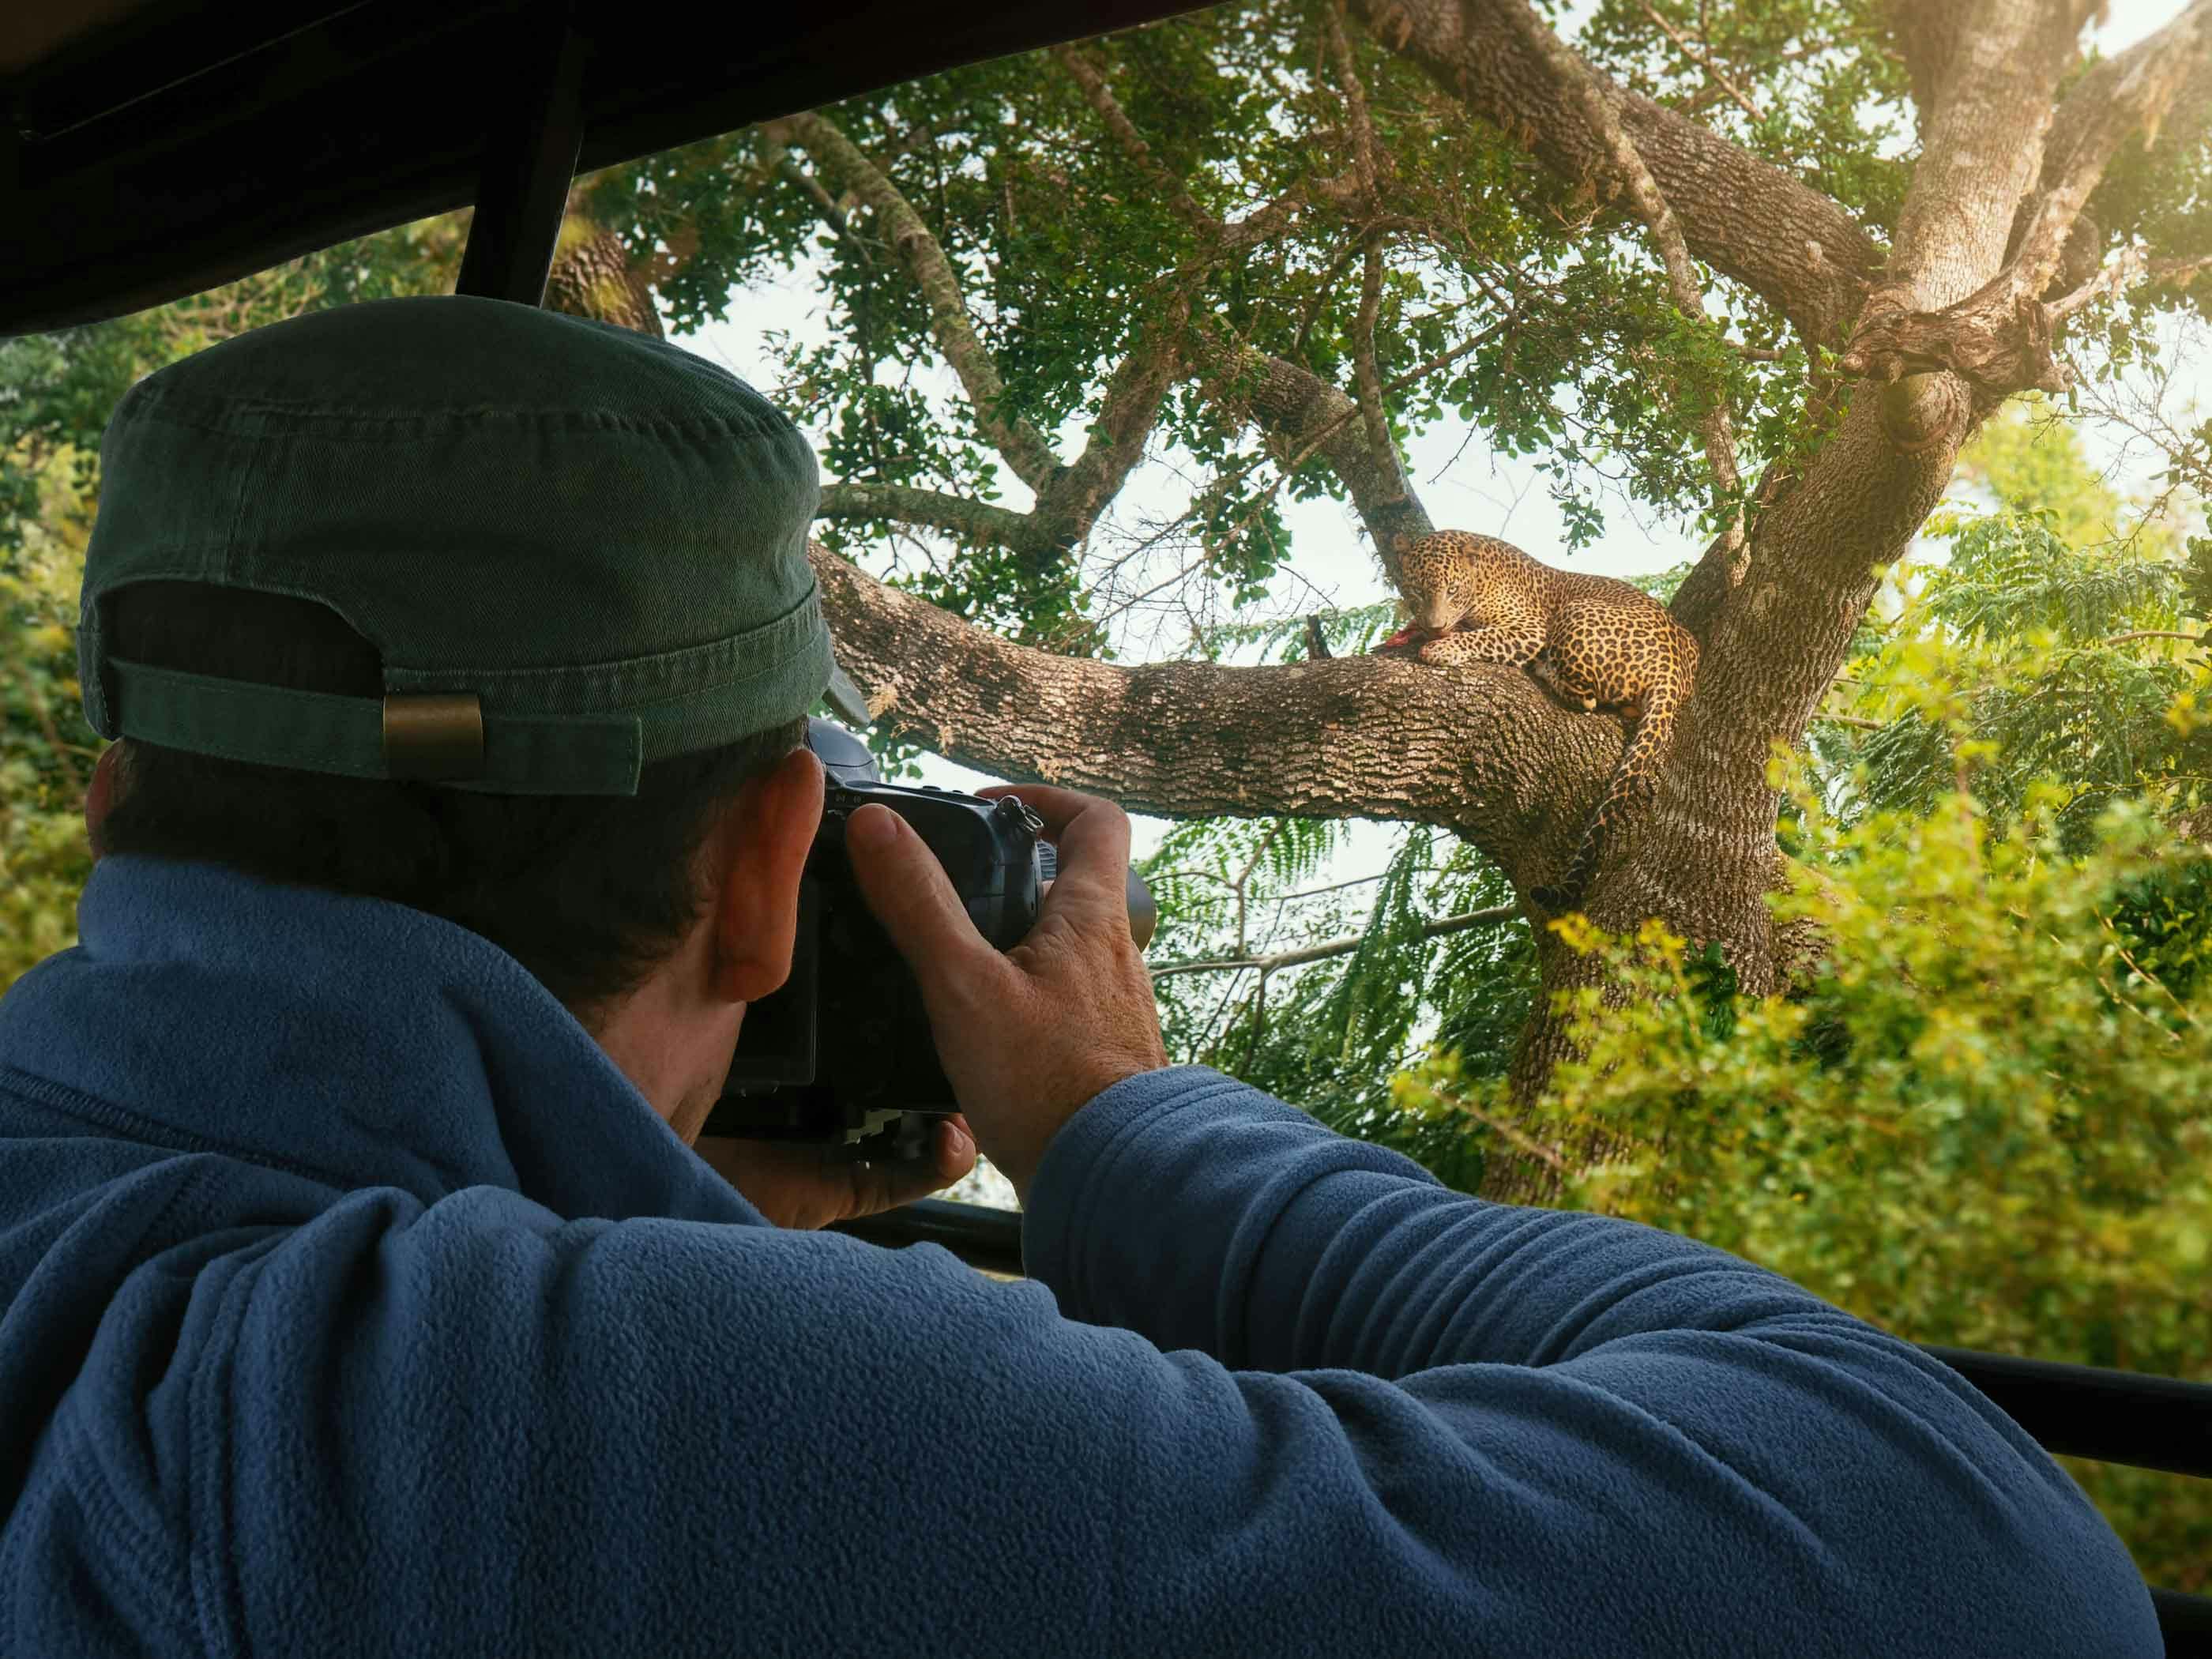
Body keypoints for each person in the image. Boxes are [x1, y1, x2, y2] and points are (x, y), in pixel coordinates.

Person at [0, 296, 2157, 1659]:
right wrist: (1124, 1121)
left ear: (118, 794)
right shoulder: (482, 1410)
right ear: (777, 874)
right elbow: (1970, 1546)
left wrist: (622, 1197)